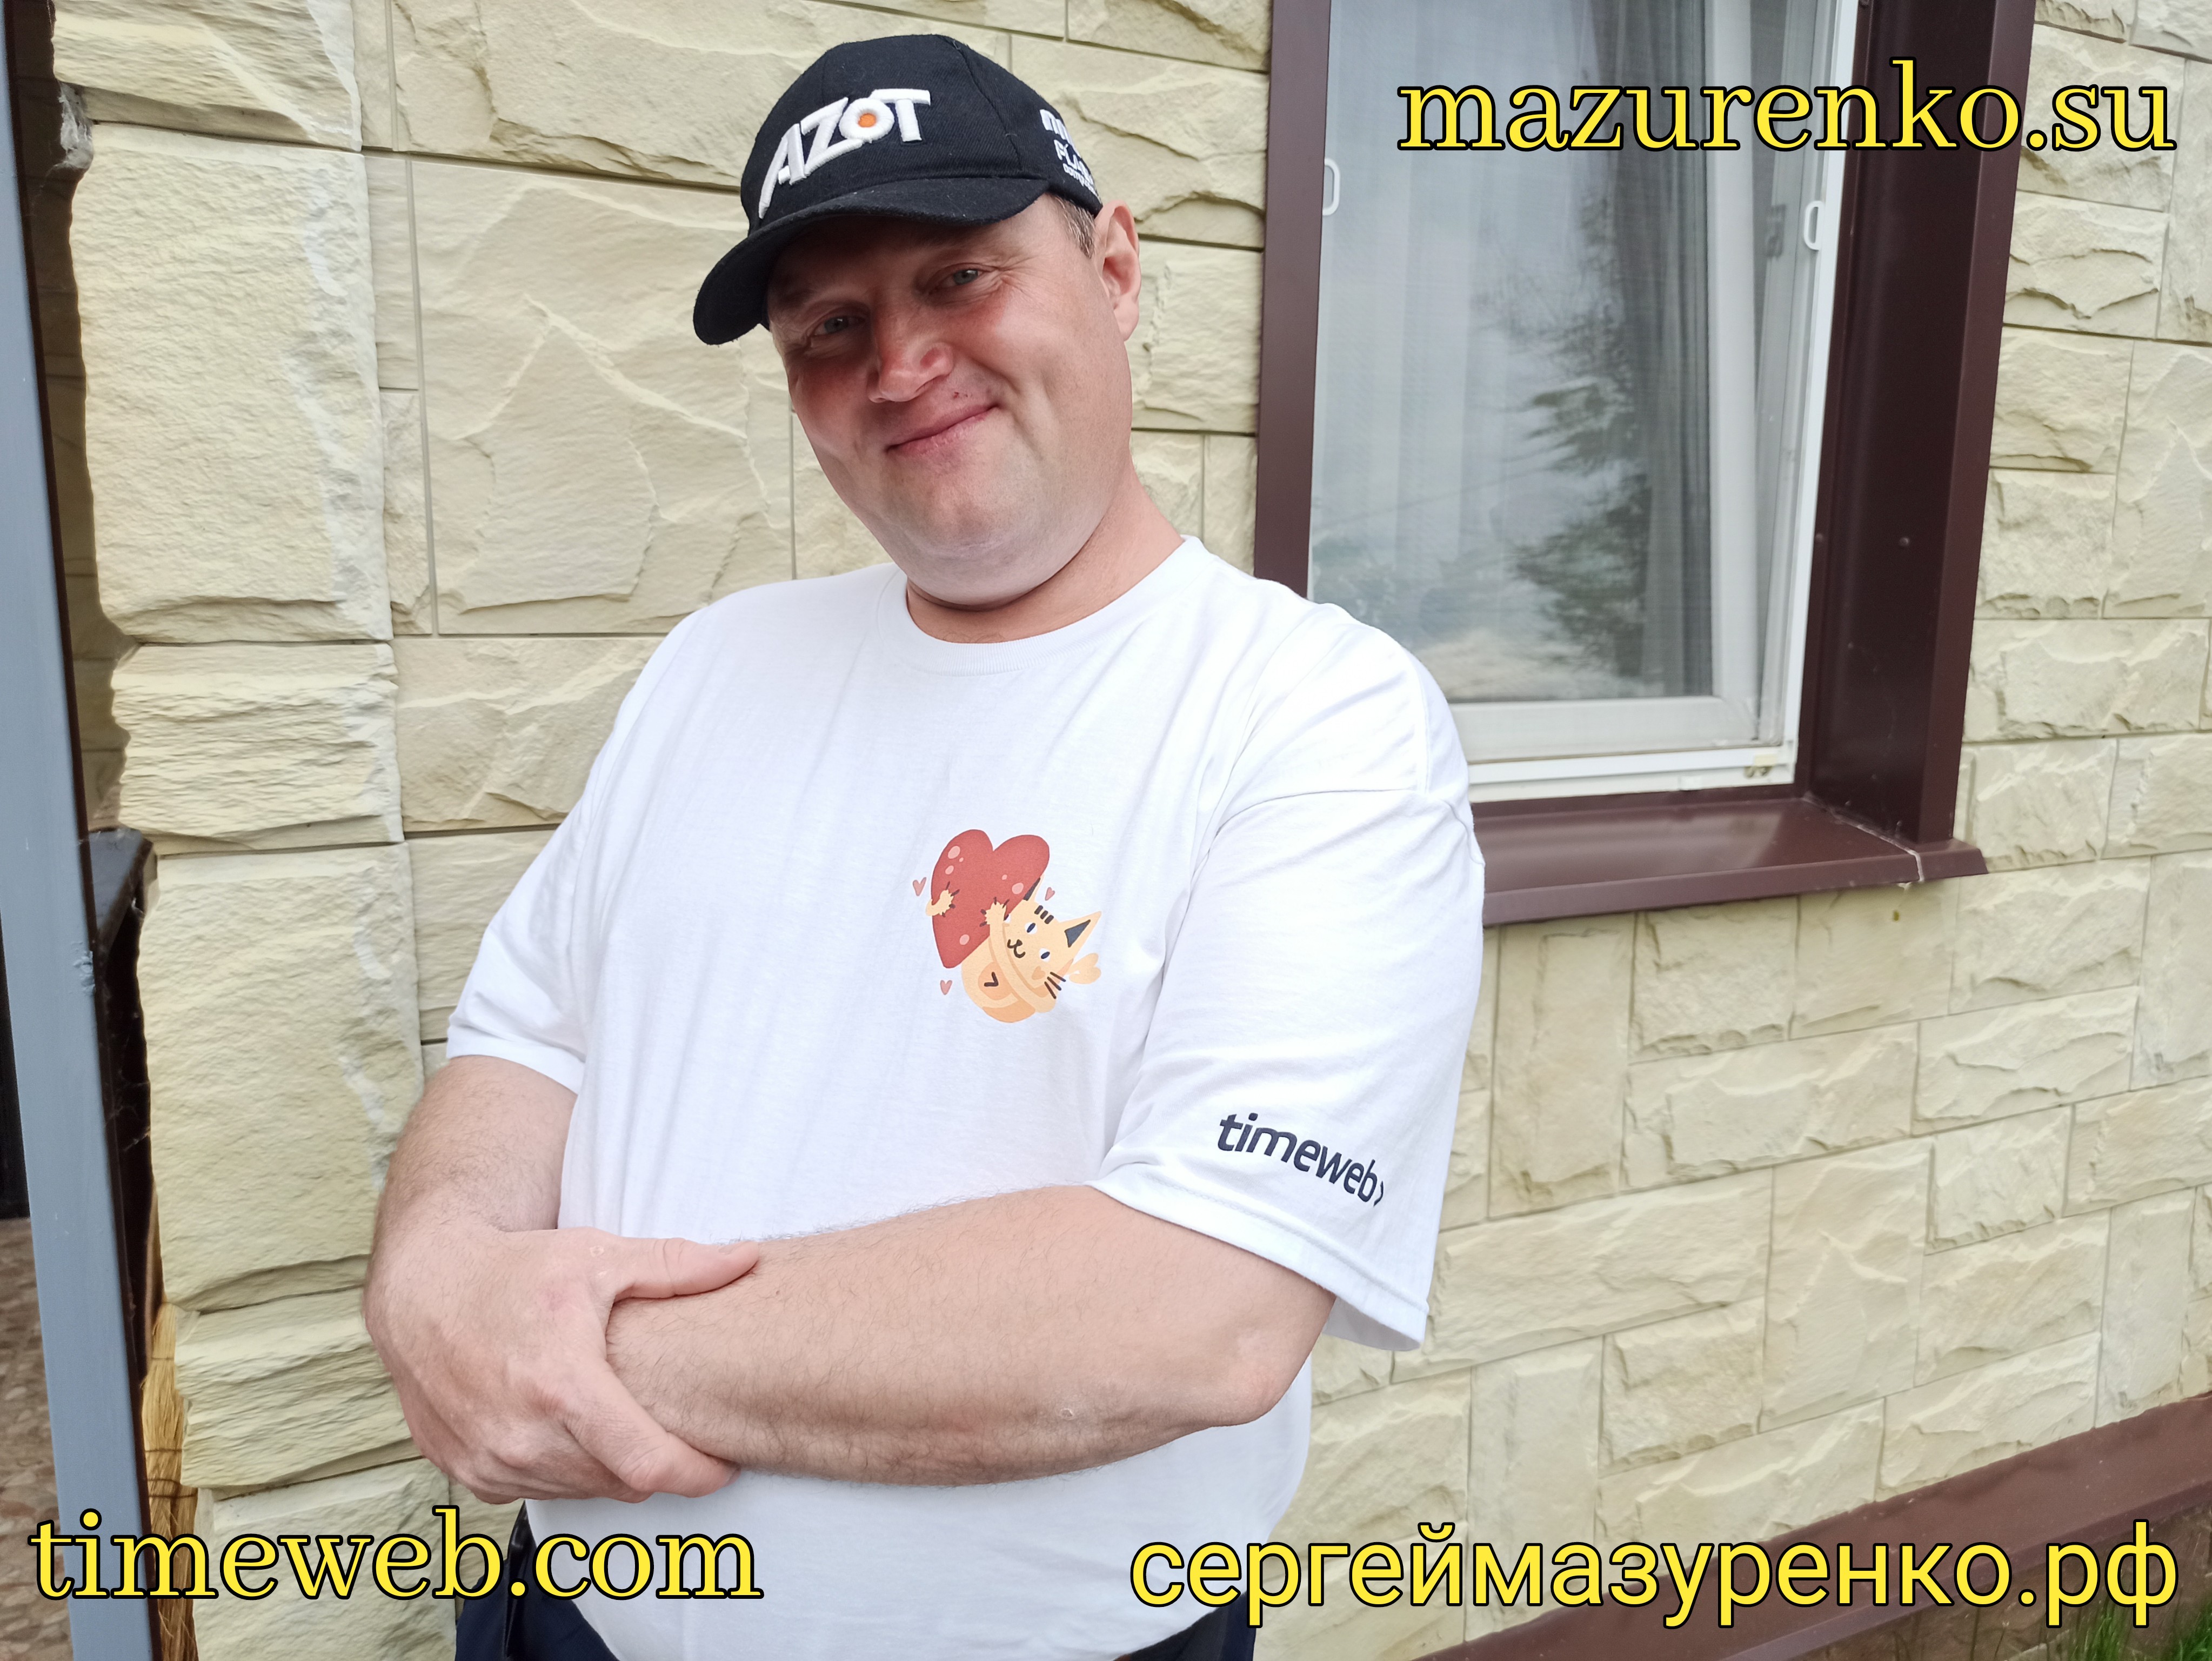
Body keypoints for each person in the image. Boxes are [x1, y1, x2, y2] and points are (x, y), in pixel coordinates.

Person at [364, 32, 1484, 1661]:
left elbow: (1201, 1309)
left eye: (960, 276)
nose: (899, 363)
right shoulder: (715, 667)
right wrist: (434, 1269)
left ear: (1113, 270)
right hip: (569, 1621)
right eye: (831, 325)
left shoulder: (1315, 716)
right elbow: (527, 1037)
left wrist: (555, 1350)